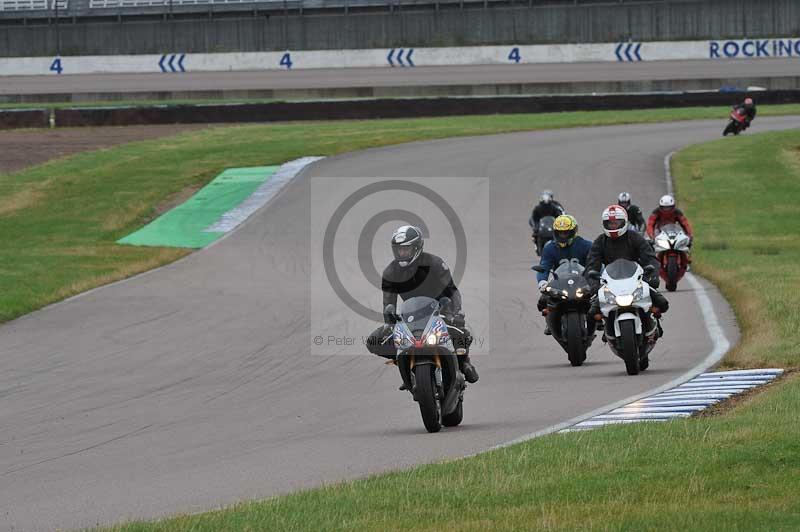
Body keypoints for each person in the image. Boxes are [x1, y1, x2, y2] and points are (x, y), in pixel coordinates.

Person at [366, 225, 478, 383]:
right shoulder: (390, 273)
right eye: (399, 250)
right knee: (373, 341)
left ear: (417, 247)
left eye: (406, 249)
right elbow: (388, 303)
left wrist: (453, 313)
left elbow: (452, 292)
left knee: (463, 331)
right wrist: (390, 322)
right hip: (411, 316)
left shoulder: (435, 264)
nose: (402, 253)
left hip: (440, 311)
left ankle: (464, 362)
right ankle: (403, 360)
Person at [585, 205, 670, 357]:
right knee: (591, 310)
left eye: (616, 223)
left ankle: (656, 322)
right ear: (604, 224)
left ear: (624, 222)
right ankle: (603, 328)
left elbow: (649, 257)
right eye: (610, 224)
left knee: (661, 302)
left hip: (635, 279)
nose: (613, 226)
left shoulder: (635, 237)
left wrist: (653, 275)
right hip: (610, 283)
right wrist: (593, 283)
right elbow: (592, 263)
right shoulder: (600, 241)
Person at [535, 214, 592, 335]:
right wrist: (542, 281)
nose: (563, 235)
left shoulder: (586, 245)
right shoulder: (549, 247)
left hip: (582, 281)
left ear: (574, 231)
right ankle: (550, 322)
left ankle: (601, 320)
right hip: (560, 281)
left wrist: (598, 276)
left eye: (566, 232)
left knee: (599, 299)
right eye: (560, 232)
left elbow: (596, 264)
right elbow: (544, 267)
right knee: (543, 300)